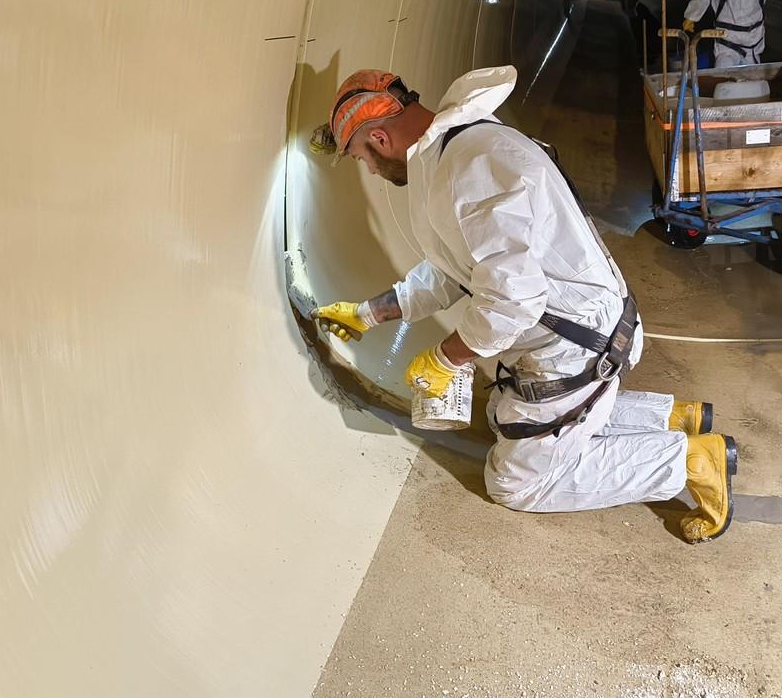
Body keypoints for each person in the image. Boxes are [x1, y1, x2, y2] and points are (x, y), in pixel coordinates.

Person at [308, 66, 738, 542]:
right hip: (571, 331)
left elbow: (515, 295)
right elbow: (456, 268)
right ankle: (670, 417)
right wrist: (369, 314)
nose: (369, 169)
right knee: (499, 414)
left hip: (579, 345)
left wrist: (447, 357)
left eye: (361, 158)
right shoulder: (452, 151)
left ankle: (690, 461)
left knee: (514, 481)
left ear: (381, 139)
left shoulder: (473, 165)